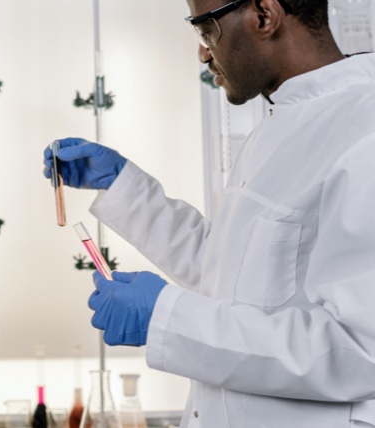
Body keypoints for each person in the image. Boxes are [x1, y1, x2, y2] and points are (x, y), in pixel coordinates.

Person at [44, 0, 375, 427]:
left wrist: (165, 316)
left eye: (206, 29)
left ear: (264, 16)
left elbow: (357, 352)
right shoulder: (281, 121)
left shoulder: (362, 133)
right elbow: (231, 275)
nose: (202, 52)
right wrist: (121, 184)